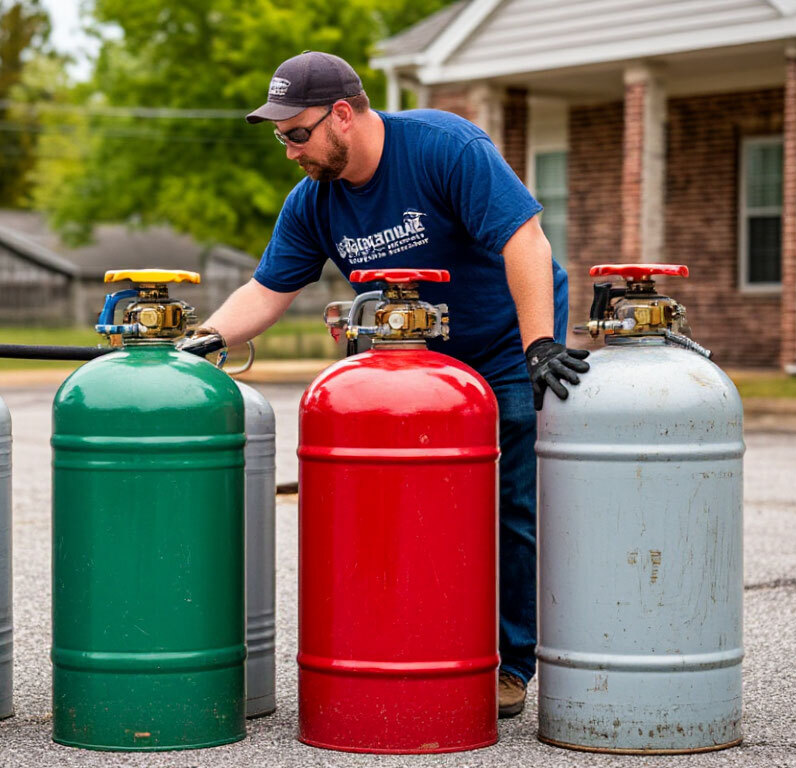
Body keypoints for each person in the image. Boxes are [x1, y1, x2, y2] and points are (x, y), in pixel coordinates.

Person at [181, 51, 588, 717]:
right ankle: (419, 636)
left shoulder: (444, 149)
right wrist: (204, 342)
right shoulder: (314, 200)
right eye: (279, 136)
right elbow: (268, 287)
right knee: (402, 499)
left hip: (501, 343)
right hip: (406, 357)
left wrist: (540, 344)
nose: (288, 150)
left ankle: (510, 662)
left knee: (510, 495)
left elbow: (526, 241)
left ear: (343, 114)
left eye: (296, 133)